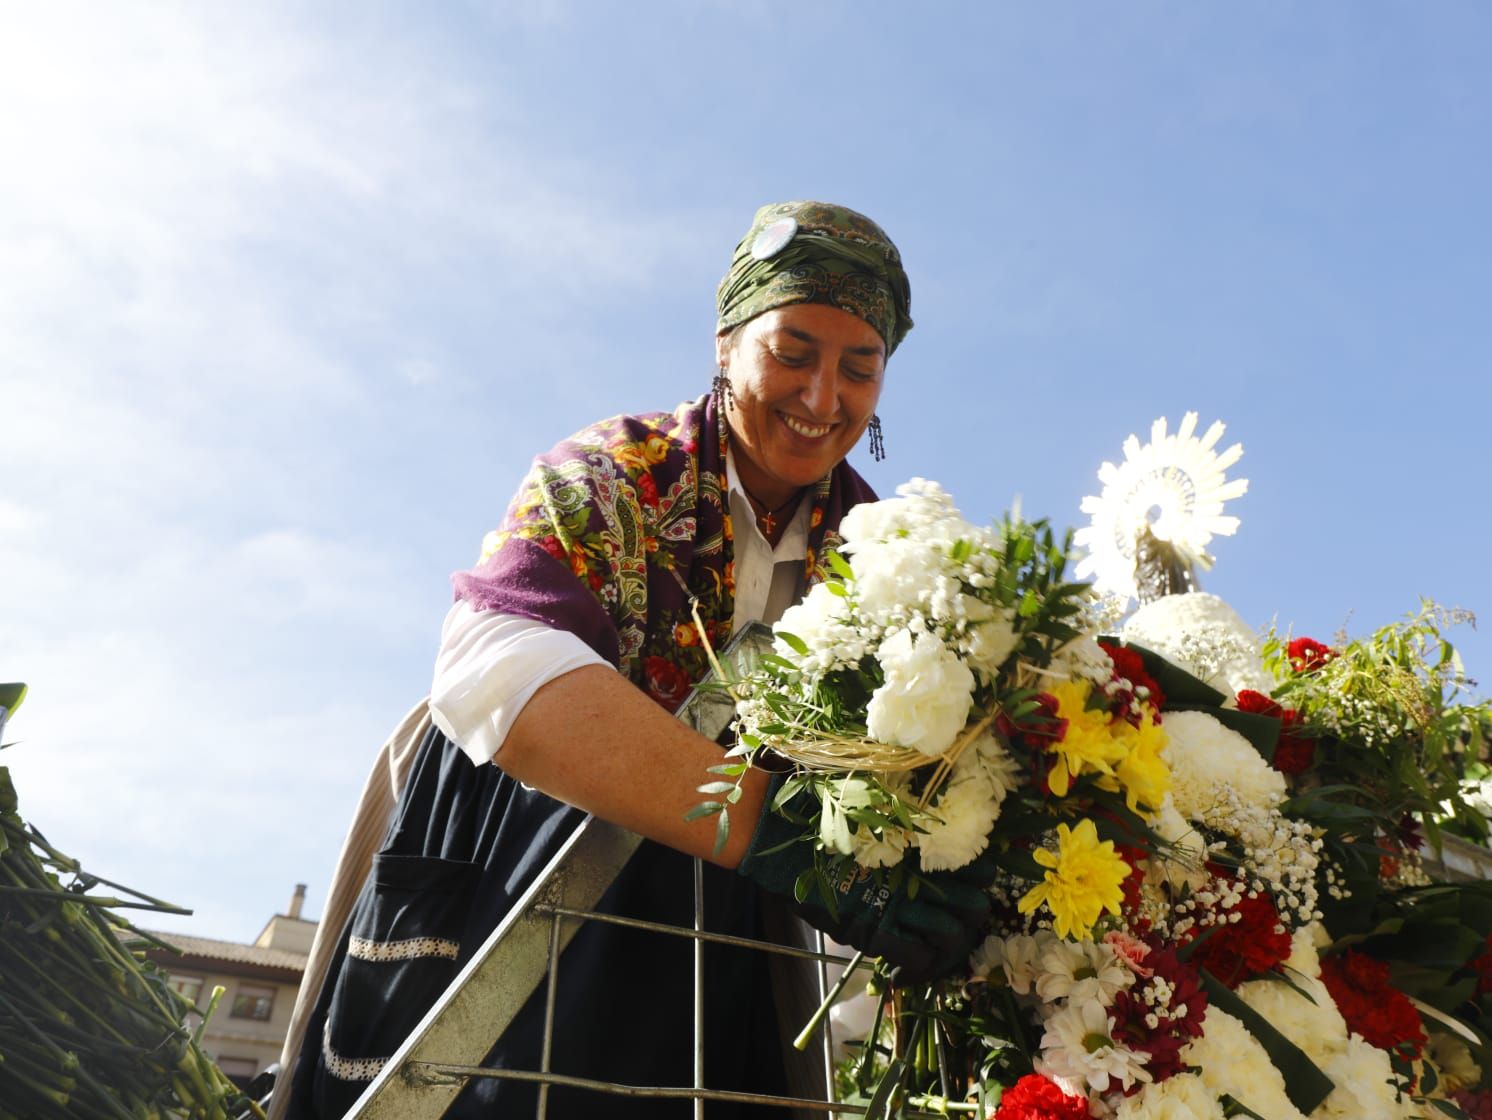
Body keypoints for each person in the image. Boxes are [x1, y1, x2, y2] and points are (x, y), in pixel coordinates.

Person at [279, 201, 988, 1119]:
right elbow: (491, 665)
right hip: (526, 849)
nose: (823, 398)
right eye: (794, 352)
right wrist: (772, 830)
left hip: (725, 927)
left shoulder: (879, 555)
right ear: (727, 342)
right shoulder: (612, 472)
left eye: (860, 368)